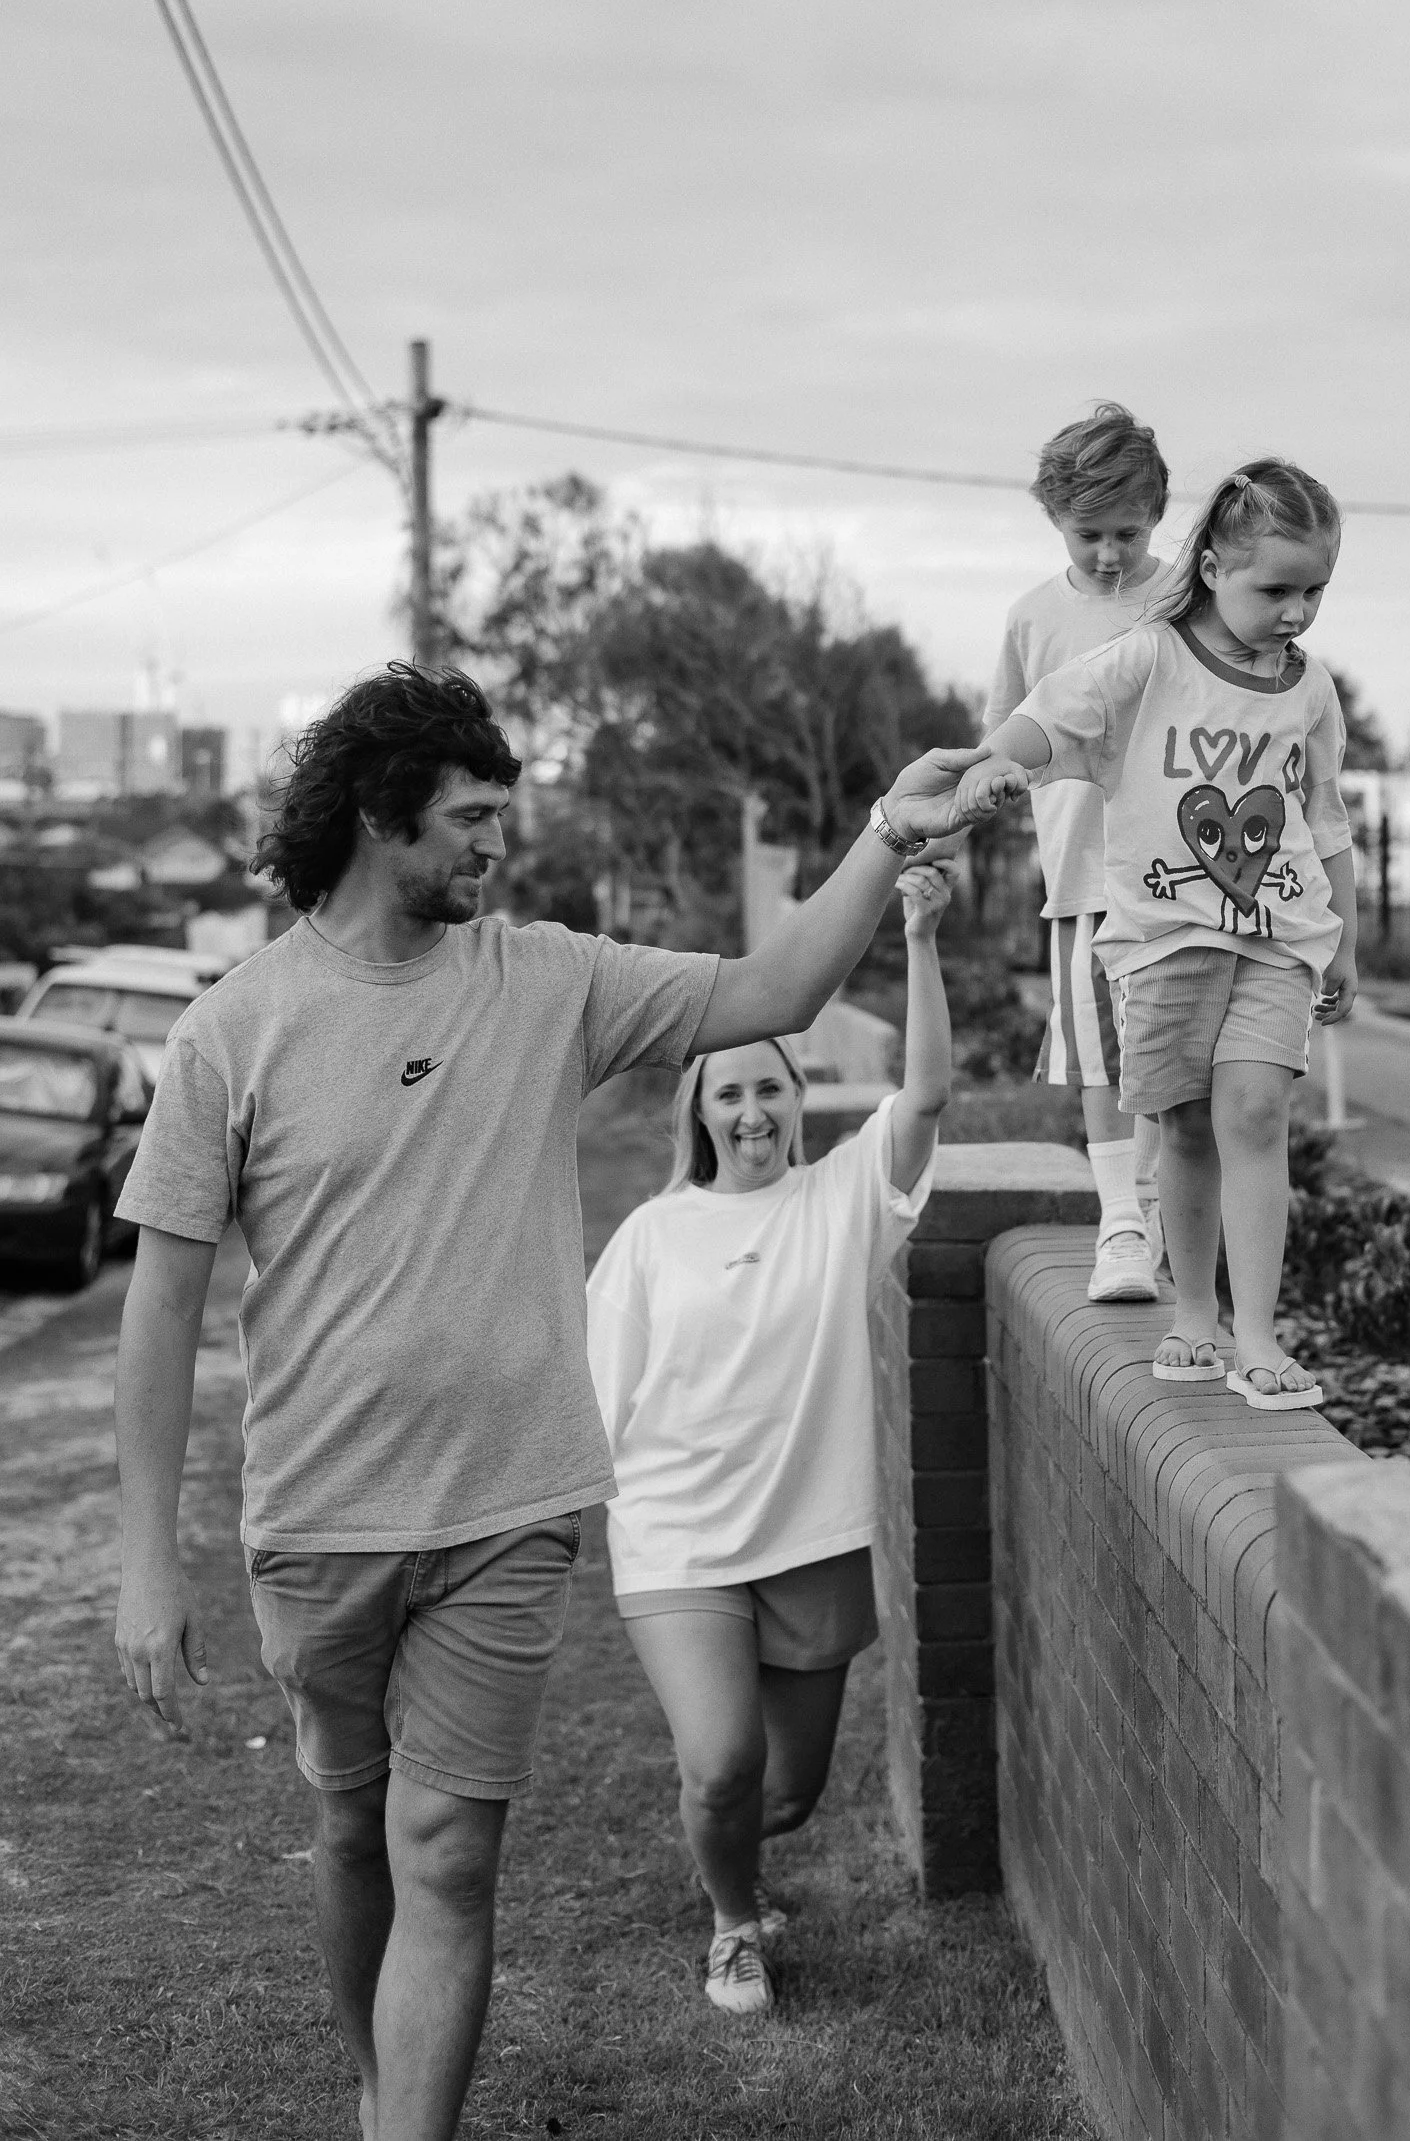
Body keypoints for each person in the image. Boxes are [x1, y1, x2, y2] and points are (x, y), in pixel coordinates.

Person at [109, 663, 1024, 2141]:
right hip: (319, 1516)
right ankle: (379, 2088)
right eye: (469, 818)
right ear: (375, 816)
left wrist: (885, 835)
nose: (494, 847)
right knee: (353, 1823)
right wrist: (146, 1560)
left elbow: (768, 992)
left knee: (448, 1852)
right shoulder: (233, 1031)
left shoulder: (542, 979)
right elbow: (160, 1304)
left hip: (511, 1506)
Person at [585, 856, 954, 2017]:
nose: (752, 1112)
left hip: (811, 1534)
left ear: (797, 1102)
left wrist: (923, 942)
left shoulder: (840, 1203)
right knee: (722, 1763)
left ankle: (734, 1854)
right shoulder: (649, 1239)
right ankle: (732, 1923)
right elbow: (596, 1404)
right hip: (678, 1539)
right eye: (728, 1093)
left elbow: (928, 1099)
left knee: (785, 1793)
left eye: (770, 1091)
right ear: (696, 1110)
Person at [959, 461, 1358, 1407]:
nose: (1297, 611)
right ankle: (1193, 1316)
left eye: (1314, 591)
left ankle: (1257, 1333)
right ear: (1212, 565)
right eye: (1276, 589)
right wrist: (988, 771)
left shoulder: (1310, 689)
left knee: (1255, 1115)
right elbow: (1043, 717)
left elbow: (1327, 817)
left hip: (1276, 934)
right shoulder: (1150, 657)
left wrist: (1342, 938)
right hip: (1164, 937)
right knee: (1182, 1125)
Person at [983, 402, 1171, 1302]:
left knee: (1168, 1058)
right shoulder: (1030, 620)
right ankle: (1122, 1226)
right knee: (1099, 1059)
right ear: (1054, 519)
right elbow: (1000, 744)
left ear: (1158, 517)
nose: (1109, 554)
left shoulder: (1188, 603)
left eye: (1126, 533)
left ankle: (1157, 1207)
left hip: (1179, 879)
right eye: (1089, 533)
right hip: (1078, 877)